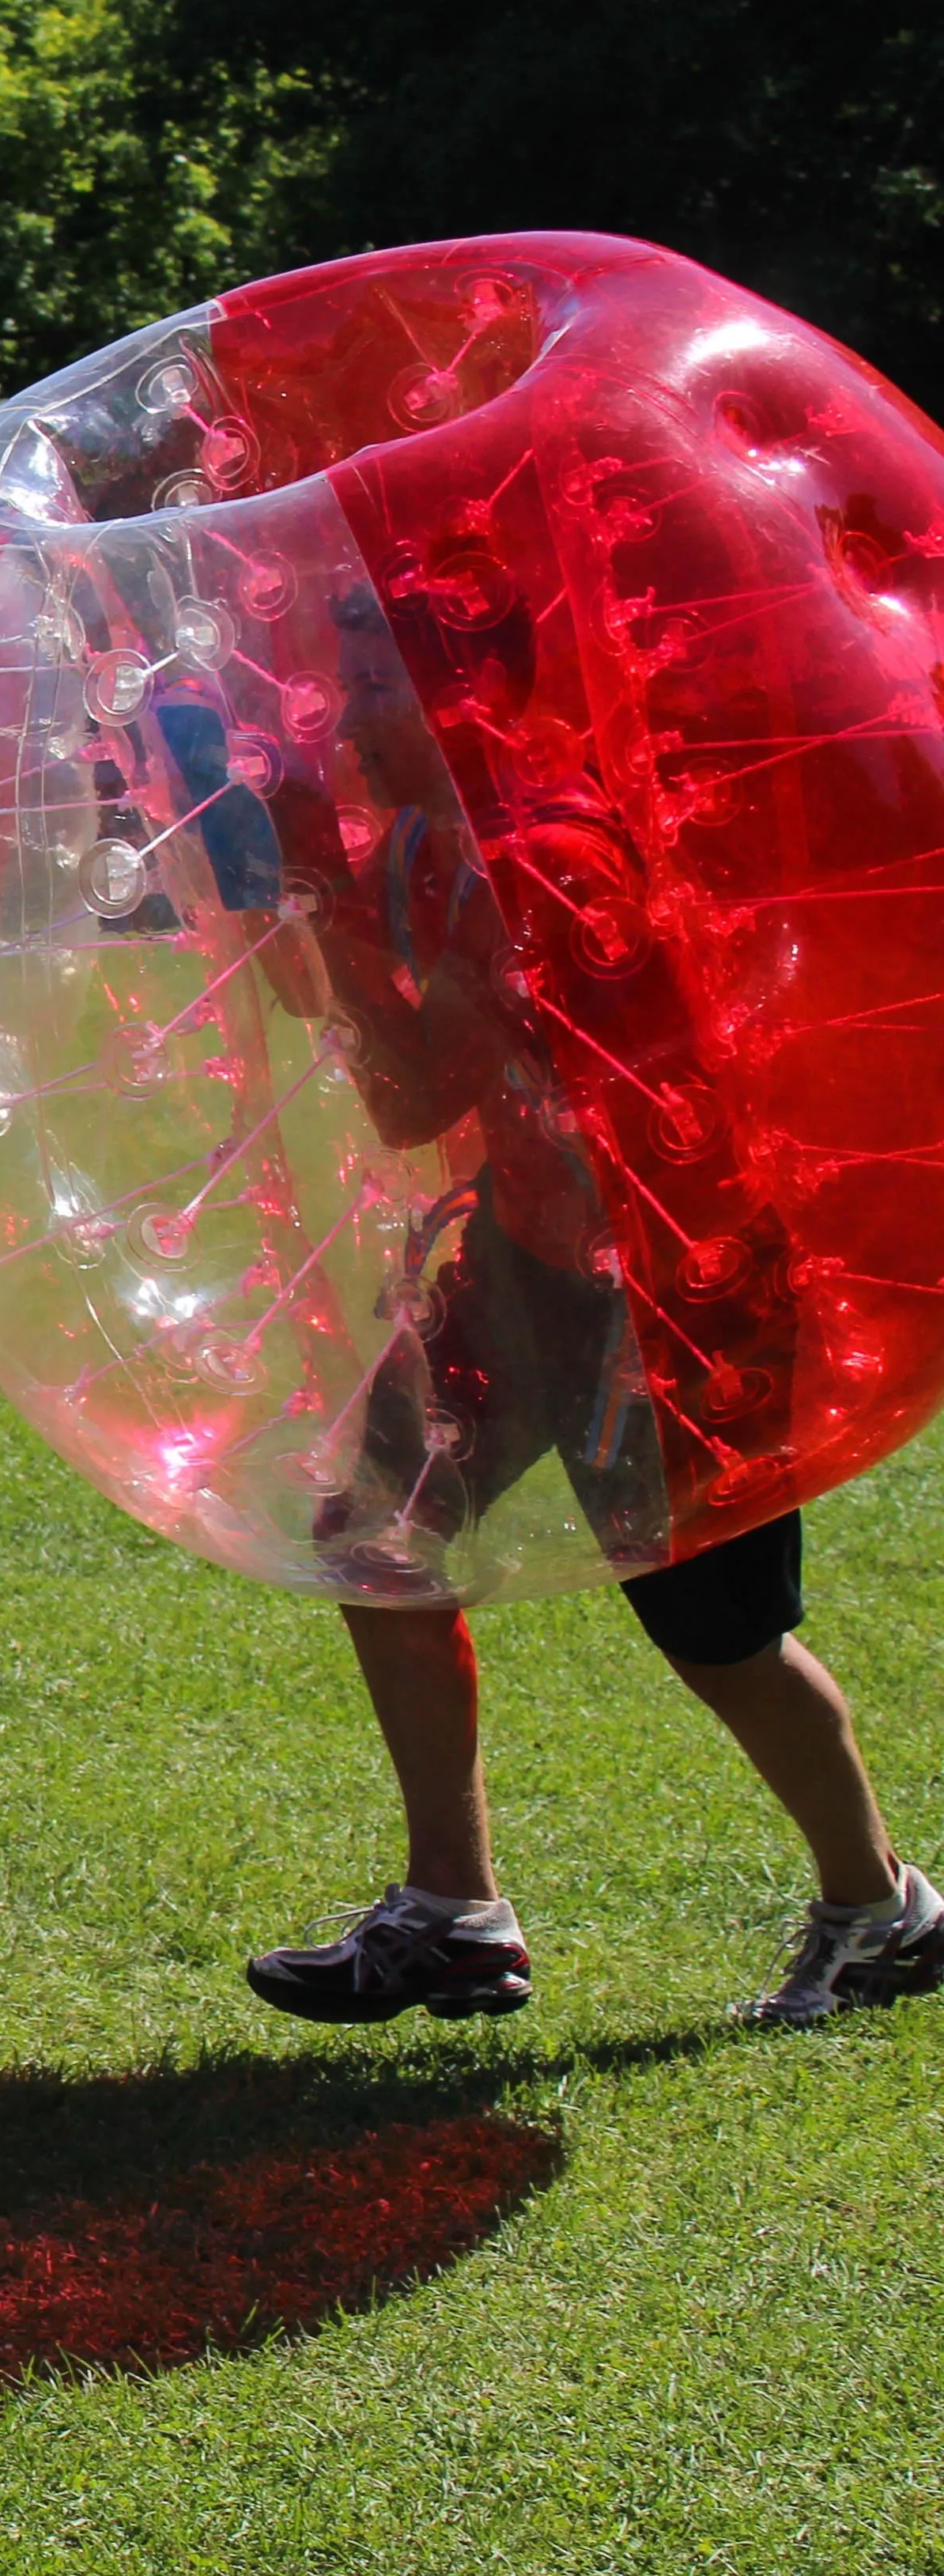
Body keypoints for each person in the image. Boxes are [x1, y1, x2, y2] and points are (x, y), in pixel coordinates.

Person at [235, 590, 942, 2029]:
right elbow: (396, 1066)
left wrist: (330, 907)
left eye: (374, 682)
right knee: (375, 1531)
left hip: (672, 1296)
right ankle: (452, 1913)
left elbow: (428, 1088)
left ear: (470, 698)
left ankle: (884, 1911)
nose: (344, 715)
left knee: (718, 1634)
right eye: (344, 677)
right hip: (525, 1258)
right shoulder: (427, 846)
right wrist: (317, 907)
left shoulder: (550, 861)